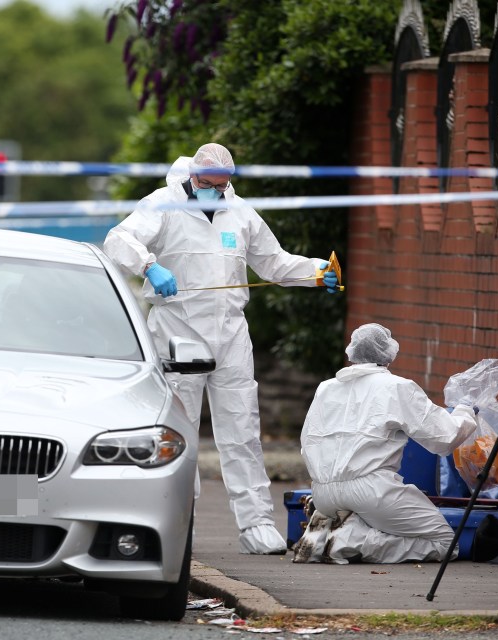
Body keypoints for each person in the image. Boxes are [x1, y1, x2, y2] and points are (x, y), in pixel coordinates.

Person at [103, 142, 338, 555]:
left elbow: (274, 263)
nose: (215, 191)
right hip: (178, 328)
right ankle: (175, 522)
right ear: (193, 178)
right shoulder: (163, 204)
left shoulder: (240, 211)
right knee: (179, 430)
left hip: (230, 331)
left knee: (242, 429)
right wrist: (149, 266)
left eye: (222, 185)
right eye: (208, 184)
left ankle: (256, 524)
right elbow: (118, 239)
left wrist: (316, 272)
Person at [298, 323, 477, 563]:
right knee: (445, 542)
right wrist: (466, 410)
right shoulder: (397, 387)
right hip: (371, 491)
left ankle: (328, 535)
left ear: (352, 352)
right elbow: (444, 438)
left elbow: (306, 442)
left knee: (375, 518)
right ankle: (349, 541)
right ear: (389, 354)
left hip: (322, 493)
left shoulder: (326, 388)